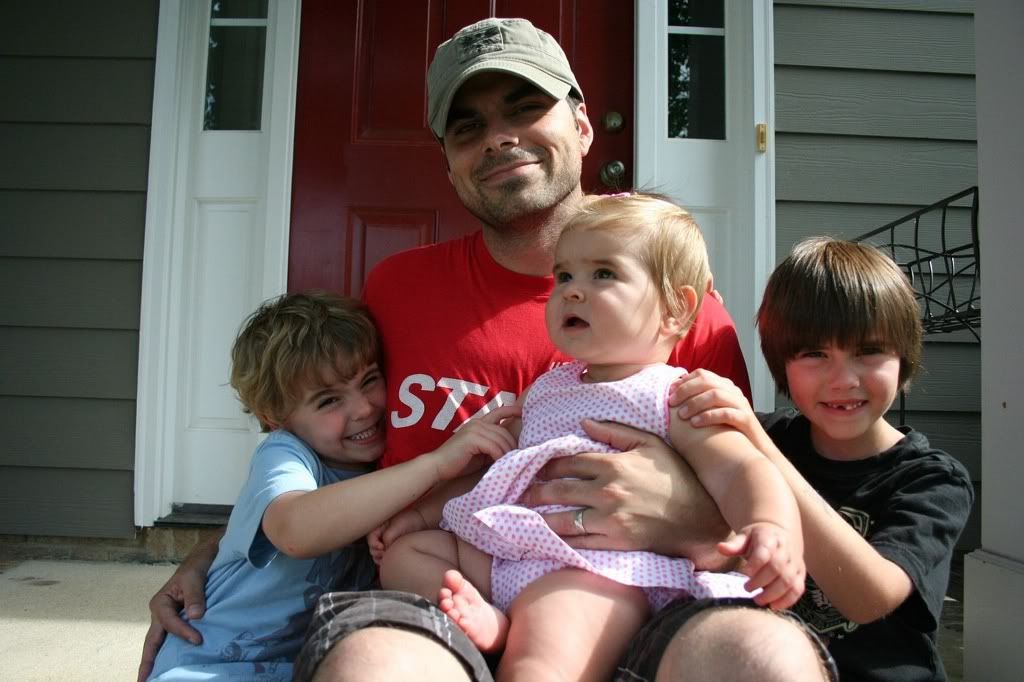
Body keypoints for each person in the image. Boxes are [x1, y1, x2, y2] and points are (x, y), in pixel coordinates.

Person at [140, 17, 835, 682]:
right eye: (467, 128)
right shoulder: (397, 289)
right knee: (372, 670)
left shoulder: (681, 313)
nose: (499, 139)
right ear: (448, 164)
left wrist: (703, 525)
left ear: (583, 124)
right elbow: (322, 446)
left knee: (761, 660)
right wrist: (222, 556)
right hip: (445, 588)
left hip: (620, 587)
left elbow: (746, 479)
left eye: (524, 108)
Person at [371, 193, 806, 680]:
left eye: (603, 274)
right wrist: (421, 515)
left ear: (675, 309)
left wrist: (772, 528)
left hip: (593, 571)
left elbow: (741, 469)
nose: (572, 291)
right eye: (564, 276)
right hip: (504, 552)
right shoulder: (548, 386)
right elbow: (494, 467)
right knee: (408, 559)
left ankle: (515, 637)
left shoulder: (673, 395)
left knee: (541, 662)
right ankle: (495, 620)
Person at [147, 291, 519, 680]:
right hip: (208, 663)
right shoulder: (285, 454)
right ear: (275, 416)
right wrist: (437, 464)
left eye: (370, 380)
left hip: (296, 667)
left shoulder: (381, 468)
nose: (363, 408)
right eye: (328, 401)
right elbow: (295, 530)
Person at [673, 237, 975, 680]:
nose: (843, 380)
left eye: (868, 351)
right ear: (782, 363)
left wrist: (759, 448)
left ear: (903, 355)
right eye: (814, 354)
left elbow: (869, 598)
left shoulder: (932, 480)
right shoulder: (768, 437)